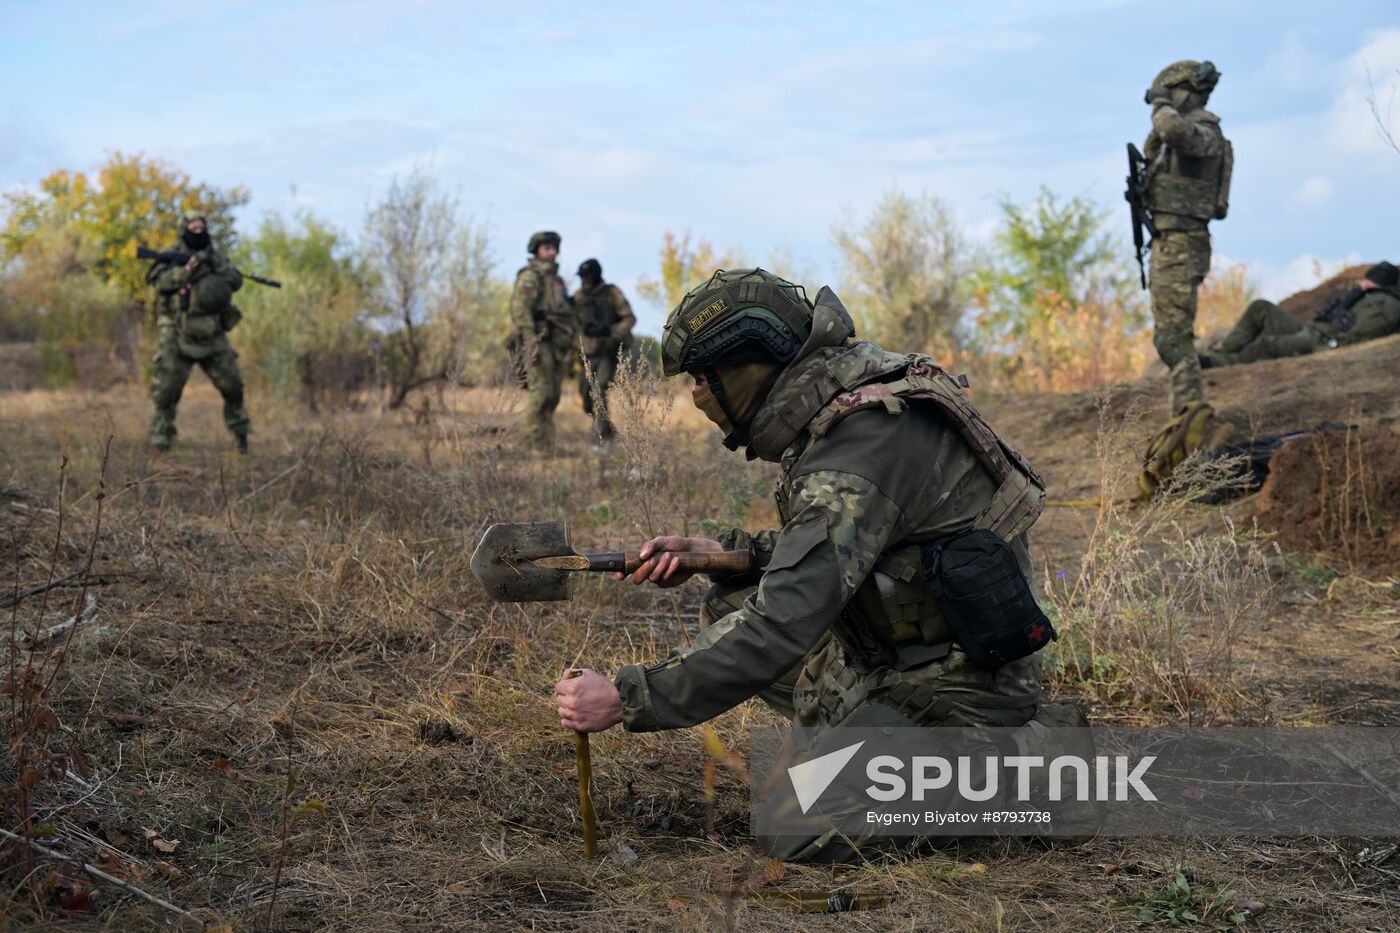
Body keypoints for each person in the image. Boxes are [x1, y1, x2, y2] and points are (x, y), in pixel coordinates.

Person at [554, 268, 1059, 862]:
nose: (696, 396)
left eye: (701, 379)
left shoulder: (863, 443)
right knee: (728, 600)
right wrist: (719, 553)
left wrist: (628, 696)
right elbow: (858, 545)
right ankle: (867, 736)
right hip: (898, 651)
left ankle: (1027, 763)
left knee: (794, 829)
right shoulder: (850, 397)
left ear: (748, 371)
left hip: (962, 682)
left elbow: (785, 618)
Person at [1142, 60, 1232, 411]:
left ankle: (1190, 416)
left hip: (1182, 244)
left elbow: (1172, 131)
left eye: (1172, 92)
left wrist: (1159, 102)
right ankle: (1186, 413)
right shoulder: (1180, 136)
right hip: (1171, 242)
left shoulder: (1205, 132)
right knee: (1169, 336)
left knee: (1174, 338)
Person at [146, 216, 249, 454]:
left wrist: (213, 263)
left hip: (213, 331)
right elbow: (158, 282)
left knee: (233, 385)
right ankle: (161, 441)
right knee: (165, 391)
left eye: (202, 227)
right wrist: (185, 271)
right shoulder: (170, 256)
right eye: (193, 227)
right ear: (184, 229)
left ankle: (241, 436)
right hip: (176, 331)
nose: (198, 230)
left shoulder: (217, 258)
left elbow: (235, 280)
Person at [1201, 262, 1400, 368]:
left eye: (1368, 281)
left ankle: (1214, 364)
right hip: (1312, 329)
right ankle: (1224, 352)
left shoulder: (1386, 303)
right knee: (1261, 307)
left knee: (1268, 344)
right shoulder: (1362, 296)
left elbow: (1360, 335)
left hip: (1322, 341)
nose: (1362, 284)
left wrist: (1330, 344)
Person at [509, 231, 576, 450]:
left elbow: (566, 311)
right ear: (537, 250)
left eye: (555, 248)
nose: (553, 252)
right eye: (547, 248)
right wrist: (531, 343)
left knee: (553, 394)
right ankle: (527, 444)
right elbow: (521, 310)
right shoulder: (530, 277)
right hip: (537, 341)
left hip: (557, 343)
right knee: (540, 393)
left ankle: (546, 444)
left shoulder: (556, 280)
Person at [573, 258, 636, 441]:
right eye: (582, 277)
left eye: (587, 277)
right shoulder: (579, 297)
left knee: (599, 390)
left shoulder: (612, 293)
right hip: (587, 354)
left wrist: (612, 332)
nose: (584, 281)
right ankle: (608, 429)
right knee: (586, 397)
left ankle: (602, 436)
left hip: (607, 351)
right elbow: (570, 321)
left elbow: (629, 318)